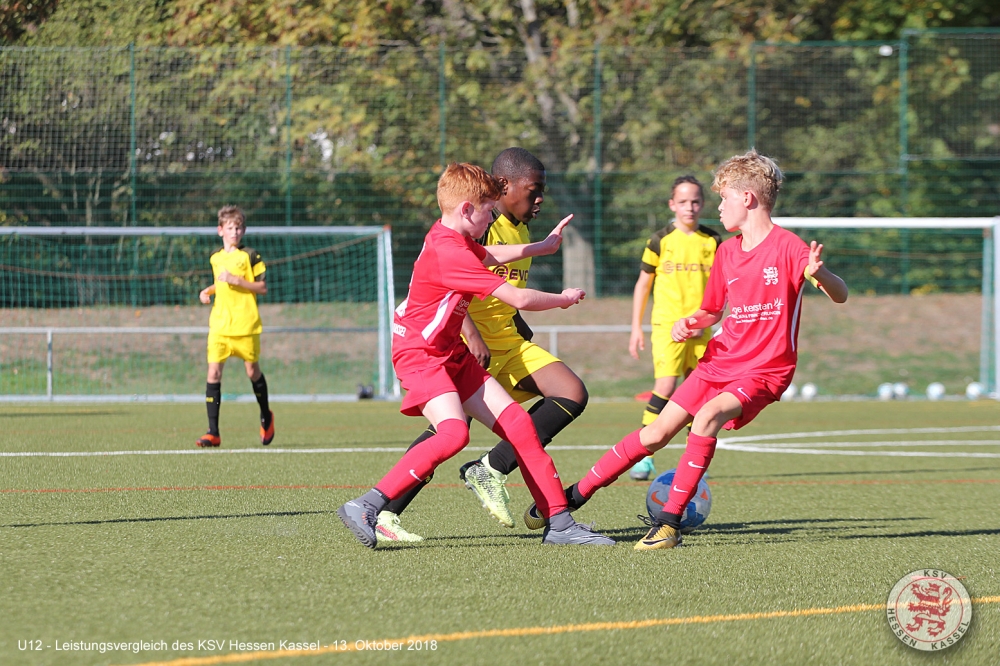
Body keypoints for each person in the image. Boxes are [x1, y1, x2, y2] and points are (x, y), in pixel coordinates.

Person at [523, 149, 848, 550]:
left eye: (724, 198)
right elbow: (712, 310)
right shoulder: (727, 252)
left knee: (707, 416)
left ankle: (668, 524)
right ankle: (574, 496)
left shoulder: (789, 247)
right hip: (718, 362)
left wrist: (822, 273)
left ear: (747, 198)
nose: (718, 206)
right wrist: (689, 322)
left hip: (764, 370)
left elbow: (840, 294)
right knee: (655, 432)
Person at [336, 162, 614, 549]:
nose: (491, 218)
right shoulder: (450, 252)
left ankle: (561, 524)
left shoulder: (451, 236)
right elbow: (519, 298)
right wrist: (563, 299)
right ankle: (368, 505)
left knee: (519, 426)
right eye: (488, 211)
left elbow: (490, 254)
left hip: (449, 351)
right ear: (467, 210)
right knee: (454, 433)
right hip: (420, 355)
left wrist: (540, 247)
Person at [627, 176, 721, 481]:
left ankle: (694, 463)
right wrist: (636, 328)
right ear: (672, 204)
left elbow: (722, 286)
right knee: (666, 387)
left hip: (701, 328)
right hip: (668, 326)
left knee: (700, 393)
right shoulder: (659, 240)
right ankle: (644, 457)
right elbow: (643, 285)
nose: (689, 207)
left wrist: (708, 321)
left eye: (695, 201)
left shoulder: (713, 240)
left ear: (702, 204)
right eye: (682, 202)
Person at [196, 205, 274, 448]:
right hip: (220, 326)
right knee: (213, 374)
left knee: (252, 372)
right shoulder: (215, 258)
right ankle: (213, 432)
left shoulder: (250, 256)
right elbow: (221, 284)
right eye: (230, 228)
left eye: (239, 228)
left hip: (245, 325)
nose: (235, 232)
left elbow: (262, 287)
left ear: (244, 230)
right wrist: (208, 291)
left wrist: (237, 280)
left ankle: (266, 416)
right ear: (220, 230)